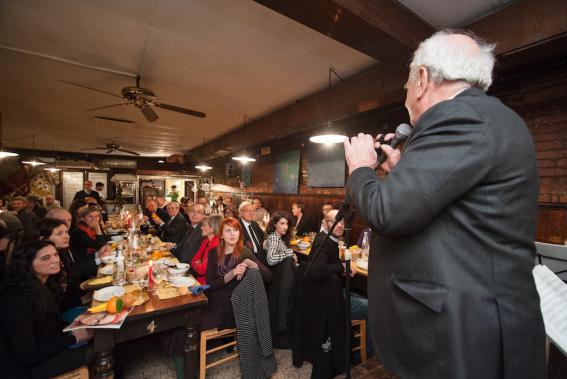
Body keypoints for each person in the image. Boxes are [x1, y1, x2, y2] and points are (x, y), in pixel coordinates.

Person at [343, 29, 546, 378]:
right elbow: (455, 213)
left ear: (421, 79)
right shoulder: (487, 118)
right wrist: (404, 173)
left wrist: (360, 168)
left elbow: (386, 213)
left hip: (461, 334)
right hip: (473, 322)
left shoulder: (458, 117)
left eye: (406, 86)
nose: (407, 95)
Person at [0, 241, 92, 377]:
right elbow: (26, 356)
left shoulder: (41, 284)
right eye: (46, 258)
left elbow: (46, 326)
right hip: (25, 370)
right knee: (99, 348)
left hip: (45, 348)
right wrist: (73, 338)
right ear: (27, 263)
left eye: (55, 254)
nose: (55, 260)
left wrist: (69, 327)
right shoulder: (18, 298)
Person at [200, 217, 271, 331]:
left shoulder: (244, 252)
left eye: (236, 230)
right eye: (228, 230)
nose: (232, 234)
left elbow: (268, 277)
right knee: (185, 321)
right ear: (221, 235)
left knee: (192, 327)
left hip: (232, 306)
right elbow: (210, 286)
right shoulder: (214, 252)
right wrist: (232, 273)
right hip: (213, 300)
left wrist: (250, 263)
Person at [35, 218, 111, 307]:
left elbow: (76, 262)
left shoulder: (61, 250)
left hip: (75, 296)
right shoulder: (47, 264)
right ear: (43, 239)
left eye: (66, 232)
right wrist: (82, 300)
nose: (67, 236)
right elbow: (72, 275)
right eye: (59, 234)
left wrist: (97, 255)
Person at [264, 211, 297, 348]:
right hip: (277, 281)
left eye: (287, 224)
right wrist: (289, 253)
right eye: (282, 223)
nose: (285, 227)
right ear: (274, 224)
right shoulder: (274, 238)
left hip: (280, 280)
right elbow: (271, 260)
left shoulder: (279, 238)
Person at [190, 215, 222, 285]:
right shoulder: (206, 241)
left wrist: (197, 265)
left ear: (212, 228)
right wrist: (198, 264)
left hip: (208, 284)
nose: (201, 228)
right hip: (200, 280)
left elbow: (201, 270)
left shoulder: (217, 245)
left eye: (204, 226)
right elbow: (193, 260)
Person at [238, 201, 267, 265]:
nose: (251, 213)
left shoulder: (254, 224)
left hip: (261, 255)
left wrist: (265, 239)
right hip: (248, 259)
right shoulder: (237, 226)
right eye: (248, 211)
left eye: (252, 211)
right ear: (240, 213)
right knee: (268, 273)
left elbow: (264, 235)